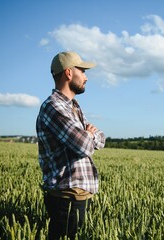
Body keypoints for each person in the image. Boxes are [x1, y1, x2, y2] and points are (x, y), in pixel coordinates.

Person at [36, 51, 106, 239]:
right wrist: (88, 134)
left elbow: (101, 138)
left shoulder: (72, 106)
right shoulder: (54, 107)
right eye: (82, 71)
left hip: (76, 196)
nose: (86, 77)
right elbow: (84, 146)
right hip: (66, 196)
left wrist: (89, 135)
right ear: (68, 73)